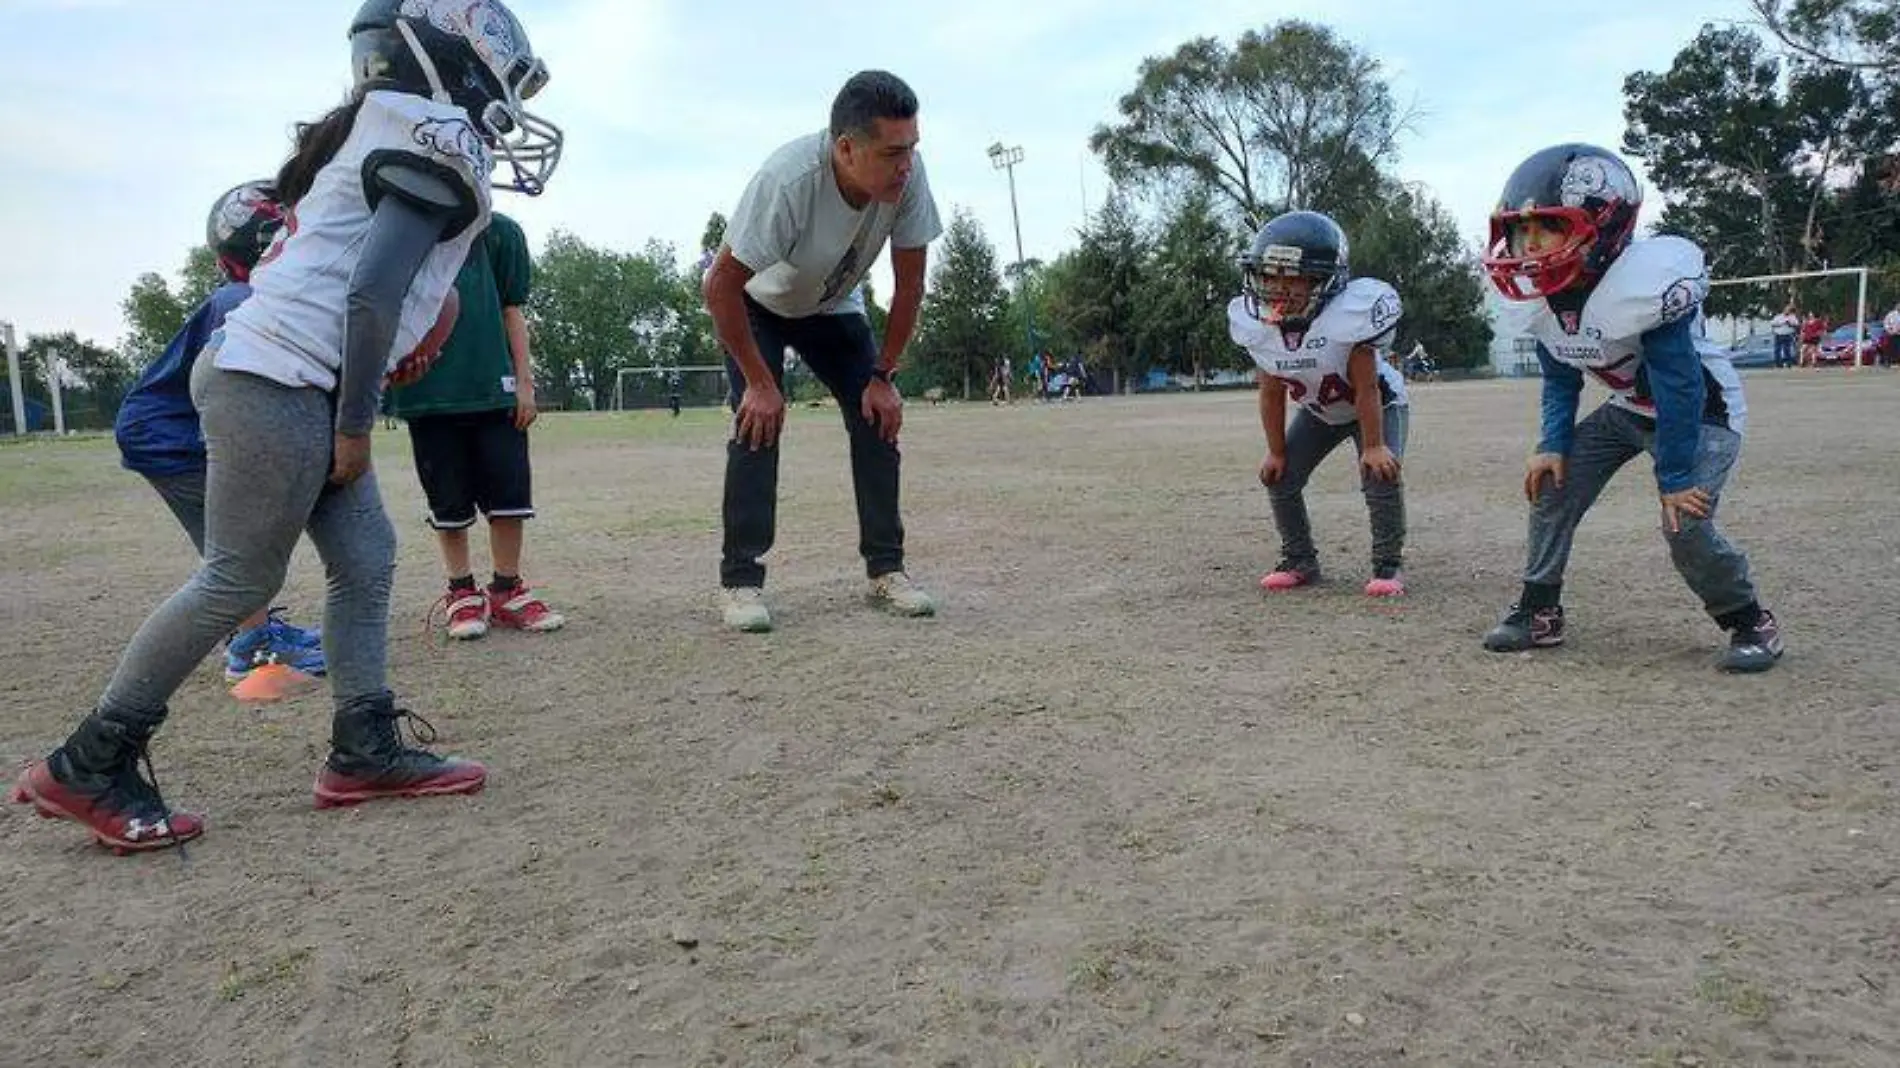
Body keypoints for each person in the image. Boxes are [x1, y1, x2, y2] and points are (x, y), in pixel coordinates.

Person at [9, 0, 563, 853]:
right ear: (444, 56)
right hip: (279, 382)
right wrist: (356, 420)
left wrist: (400, 345)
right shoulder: (426, 134)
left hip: (284, 374)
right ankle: (90, 759)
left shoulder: (378, 124)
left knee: (367, 558)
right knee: (237, 579)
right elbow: (371, 291)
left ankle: (362, 747)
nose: (507, 95)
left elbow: (387, 287)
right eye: (497, 66)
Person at [1476, 143, 1781, 672]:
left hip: (1702, 410)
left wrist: (1676, 472)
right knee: (1553, 482)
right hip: (1630, 408)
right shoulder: (1544, 299)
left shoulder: (1642, 283)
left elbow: (1680, 383)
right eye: (1520, 231)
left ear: (1604, 224)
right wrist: (1552, 443)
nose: (1528, 244)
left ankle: (1750, 620)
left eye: (1545, 228)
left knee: (1684, 523)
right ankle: (1540, 609)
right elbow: (1559, 379)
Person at [701, 70, 943, 633]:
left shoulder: (908, 177)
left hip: (832, 306)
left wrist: (884, 374)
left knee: (877, 416)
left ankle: (887, 569)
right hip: (758, 303)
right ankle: (740, 581)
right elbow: (719, 286)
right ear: (845, 148)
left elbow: (909, 286)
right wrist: (761, 384)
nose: (905, 164)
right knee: (757, 426)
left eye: (912, 148)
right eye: (891, 153)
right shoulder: (788, 181)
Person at [113, 181, 326, 684]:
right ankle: (250, 647)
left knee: (237, 543)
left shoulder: (245, 293)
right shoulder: (242, 299)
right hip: (173, 436)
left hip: (172, 430)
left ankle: (253, 630)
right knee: (239, 549)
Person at [387, 210, 565, 641]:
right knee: (447, 500)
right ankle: (461, 590)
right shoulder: (401, 229)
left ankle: (507, 588)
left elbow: (512, 308)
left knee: (509, 494)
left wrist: (524, 382)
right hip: (428, 392)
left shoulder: (500, 232)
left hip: (493, 386)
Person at [1229, 210, 1410, 598]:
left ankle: (1387, 565)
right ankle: (1299, 560)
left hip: (1375, 406)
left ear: (1323, 280)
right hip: (1320, 411)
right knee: (1281, 476)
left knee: (1379, 472)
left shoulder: (1348, 319)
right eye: (1269, 275)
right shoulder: (1260, 329)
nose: (1277, 287)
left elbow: (1367, 390)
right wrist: (1276, 451)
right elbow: (1271, 392)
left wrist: (1375, 445)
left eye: (1291, 277)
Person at [1768, 303, 1799, 368]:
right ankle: (1778, 364)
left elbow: (1796, 325)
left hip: (1787, 335)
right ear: (1784, 310)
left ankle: (1788, 363)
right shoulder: (1778, 316)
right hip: (1778, 335)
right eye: (1786, 310)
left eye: (1789, 310)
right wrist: (1780, 324)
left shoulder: (1792, 317)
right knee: (1777, 350)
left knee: (1787, 350)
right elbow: (1772, 324)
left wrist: (1790, 324)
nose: (1787, 311)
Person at [1881, 303, 1899, 369]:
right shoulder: (1891, 315)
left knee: (1898, 349)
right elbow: (1886, 323)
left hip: (1898, 334)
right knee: (1890, 348)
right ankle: (1889, 362)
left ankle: (1896, 362)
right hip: (1891, 334)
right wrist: (1889, 331)